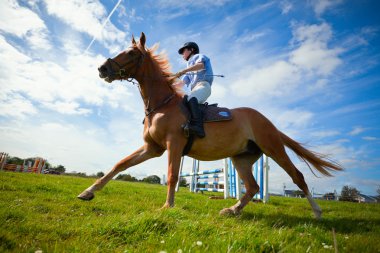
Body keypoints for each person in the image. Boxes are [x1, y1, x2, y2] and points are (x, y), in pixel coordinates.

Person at [175, 42, 213, 138]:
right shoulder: (189, 68)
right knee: (184, 99)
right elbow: (180, 84)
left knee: (191, 98)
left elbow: (201, 66)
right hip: (195, 89)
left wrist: (183, 71)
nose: (182, 54)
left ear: (191, 50)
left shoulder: (198, 56)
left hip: (203, 85)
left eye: (183, 51)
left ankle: (198, 127)